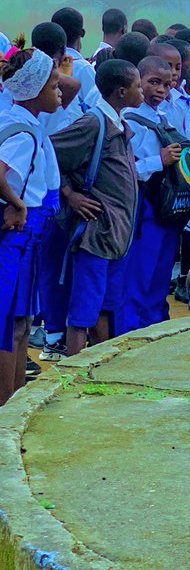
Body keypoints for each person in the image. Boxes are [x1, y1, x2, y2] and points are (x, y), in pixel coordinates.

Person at [49, 59, 141, 355]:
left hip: (117, 236)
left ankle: (98, 363)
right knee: (83, 310)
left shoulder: (120, 125)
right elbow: (49, 151)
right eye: (138, 86)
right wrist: (70, 194)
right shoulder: (93, 123)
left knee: (106, 307)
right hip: (96, 235)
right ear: (122, 91)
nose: (141, 92)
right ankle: (73, 370)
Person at [117, 56, 190, 334]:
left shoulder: (164, 115)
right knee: (139, 272)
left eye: (167, 85)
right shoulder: (129, 119)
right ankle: (130, 331)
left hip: (167, 207)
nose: (160, 91)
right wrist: (160, 160)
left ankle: (155, 326)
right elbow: (128, 169)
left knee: (160, 271)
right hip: (144, 205)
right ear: (137, 81)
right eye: (153, 83)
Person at [0, 49, 62, 404]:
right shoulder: (24, 133)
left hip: (30, 235)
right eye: (53, 85)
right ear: (35, 88)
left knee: (21, 321)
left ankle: (16, 396)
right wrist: (18, 202)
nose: (59, 92)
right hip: (20, 234)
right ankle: (8, 405)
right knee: (13, 325)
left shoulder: (18, 118)